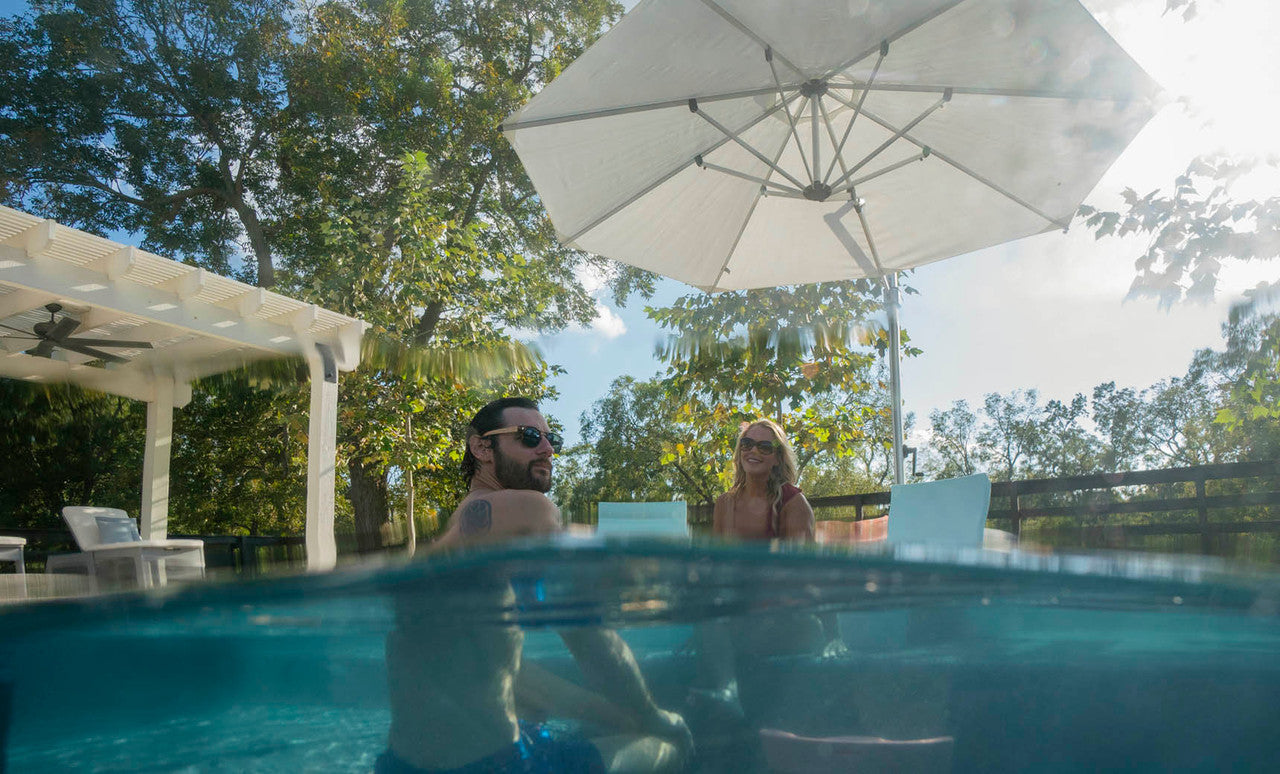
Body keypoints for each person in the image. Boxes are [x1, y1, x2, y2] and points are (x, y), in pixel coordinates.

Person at [381, 397, 692, 774]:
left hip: (401, 764)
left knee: (565, 721)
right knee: (667, 747)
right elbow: (592, 641)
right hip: (495, 767)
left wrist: (607, 712)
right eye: (529, 436)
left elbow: (501, 674)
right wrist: (653, 716)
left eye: (551, 438)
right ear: (481, 448)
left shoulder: (464, 541)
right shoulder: (530, 509)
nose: (547, 449)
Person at [711, 419, 815, 542]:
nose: (753, 450)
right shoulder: (724, 504)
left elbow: (802, 554)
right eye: (747, 444)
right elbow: (717, 553)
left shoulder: (794, 504)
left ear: (778, 458)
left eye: (765, 447)